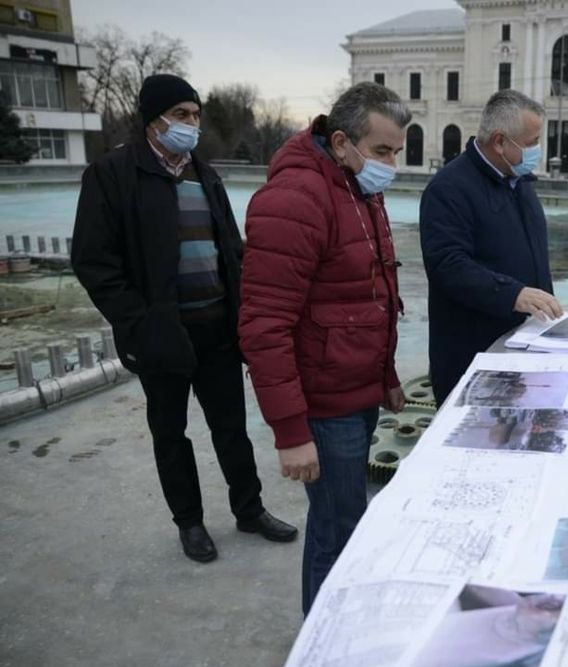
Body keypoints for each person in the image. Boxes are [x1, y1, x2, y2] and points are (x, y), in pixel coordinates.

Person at [71, 74, 297, 564]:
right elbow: (93, 262)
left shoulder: (205, 174)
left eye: (195, 115)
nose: (191, 124)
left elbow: (231, 251)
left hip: (217, 328)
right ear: (153, 120)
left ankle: (250, 509)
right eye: (181, 115)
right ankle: (190, 522)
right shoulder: (113, 175)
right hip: (161, 336)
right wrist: (140, 323)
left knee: (231, 427)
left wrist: (244, 311)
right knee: (171, 433)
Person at [239, 82, 409, 615]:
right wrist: (291, 433)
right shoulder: (296, 199)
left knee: (343, 521)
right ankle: (325, 646)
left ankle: (337, 632)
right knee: (338, 531)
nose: (390, 164)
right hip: (325, 404)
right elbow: (264, 326)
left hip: (355, 390)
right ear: (340, 142)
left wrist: (386, 377)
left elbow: (369, 294)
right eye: (382, 150)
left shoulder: (357, 187)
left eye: (396, 152)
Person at [420, 90, 563, 403]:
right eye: (531, 142)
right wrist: (512, 294)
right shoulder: (449, 188)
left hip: (524, 349)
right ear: (499, 142)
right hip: (473, 360)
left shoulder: (519, 181)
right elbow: (447, 265)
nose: (537, 151)